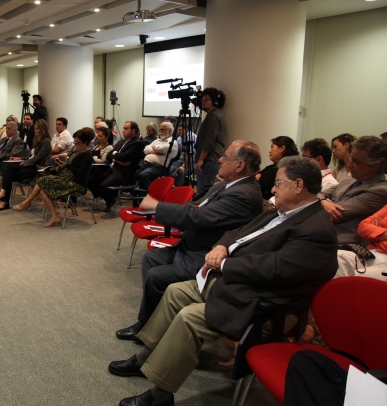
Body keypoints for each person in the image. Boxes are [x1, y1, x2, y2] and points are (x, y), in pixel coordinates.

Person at [109, 156, 338, 406]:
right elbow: (238, 231)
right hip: (240, 284)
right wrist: (222, 246)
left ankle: (160, 395)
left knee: (189, 317)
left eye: (278, 183)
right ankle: (146, 356)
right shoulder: (282, 212)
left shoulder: (316, 229)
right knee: (176, 292)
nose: (273, 189)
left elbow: (275, 269)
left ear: (299, 185)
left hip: (264, 303)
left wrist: (225, 264)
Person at [115, 141, 264, 342]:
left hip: (205, 255)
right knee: (151, 259)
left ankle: (150, 329)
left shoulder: (243, 194)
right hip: (191, 245)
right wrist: (186, 211)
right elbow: (194, 206)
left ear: (240, 165)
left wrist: (158, 206)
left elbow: (198, 217)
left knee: (157, 276)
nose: (220, 159)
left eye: (226, 157)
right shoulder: (225, 185)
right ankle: (152, 321)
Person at [13, 128, 94, 227]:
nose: (76, 145)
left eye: (78, 142)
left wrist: (67, 166)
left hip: (75, 183)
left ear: (86, 142)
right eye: (75, 142)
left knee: (42, 180)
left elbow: (81, 172)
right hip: (66, 178)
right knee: (43, 190)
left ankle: (27, 202)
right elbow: (71, 167)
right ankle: (55, 217)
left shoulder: (87, 156)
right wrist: (62, 164)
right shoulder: (76, 152)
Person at [320, 135, 387, 244]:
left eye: (355, 161)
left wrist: (322, 201)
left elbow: (335, 212)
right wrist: (323, 201)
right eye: (351, 159)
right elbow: (316, 194)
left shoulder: (381, 191)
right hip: (321, 234)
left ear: (375, 165)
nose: (349, 165)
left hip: (341, 243)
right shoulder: (350, 179)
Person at [0, 119, 52, 211]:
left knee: (9, 173)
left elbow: (37, 158)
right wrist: (20, 158)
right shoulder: (37, 140)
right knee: (8, 171)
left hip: (37, 169)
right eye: (35, 128)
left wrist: (24, 162)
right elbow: (31, 156)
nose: (34, 130)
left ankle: (4, 198)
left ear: (42, 130)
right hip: (30, 165)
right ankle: (4, 197)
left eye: (37, 129)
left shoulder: (46, 142)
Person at [95, 121, 143, 212]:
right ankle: (111, 198)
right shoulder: (121, 141)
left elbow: (124, 157)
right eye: (123, 128)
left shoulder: (136, 143)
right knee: (94, 181)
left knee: (104, 185)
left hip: (123, 172)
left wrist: (115, 155)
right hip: (114, 168)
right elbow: (109, 155)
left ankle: (111, 199)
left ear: (133, 131)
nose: (123, 130)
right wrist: (118, 159)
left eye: (126, 129)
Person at [336, 203, 387, 280]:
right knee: (337, 257)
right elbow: (363, 226)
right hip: (369, 253)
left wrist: (377, 236)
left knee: (351, 277)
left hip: (384, 263)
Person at [194, 87, 227, 193]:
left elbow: (209, 140)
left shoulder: (214, 116)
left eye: (206, 99)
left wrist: (200, 160)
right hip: (210, 161)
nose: (203, 101)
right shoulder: (213, 115)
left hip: (209, 161)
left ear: (215, 101)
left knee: (204, 193)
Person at [135, 122, 179, 192]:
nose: (160, 132)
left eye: (163, 130)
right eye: (160, 130)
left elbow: (162, 149)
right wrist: (156, 151)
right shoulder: (157, 140)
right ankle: (134, 194)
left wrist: (154, 148)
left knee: (143, 175)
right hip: (145, 163)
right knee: (132, 172)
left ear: (170, 131)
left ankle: (142, 196)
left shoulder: (173, 143)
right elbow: (146, 149)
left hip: (158, 167)